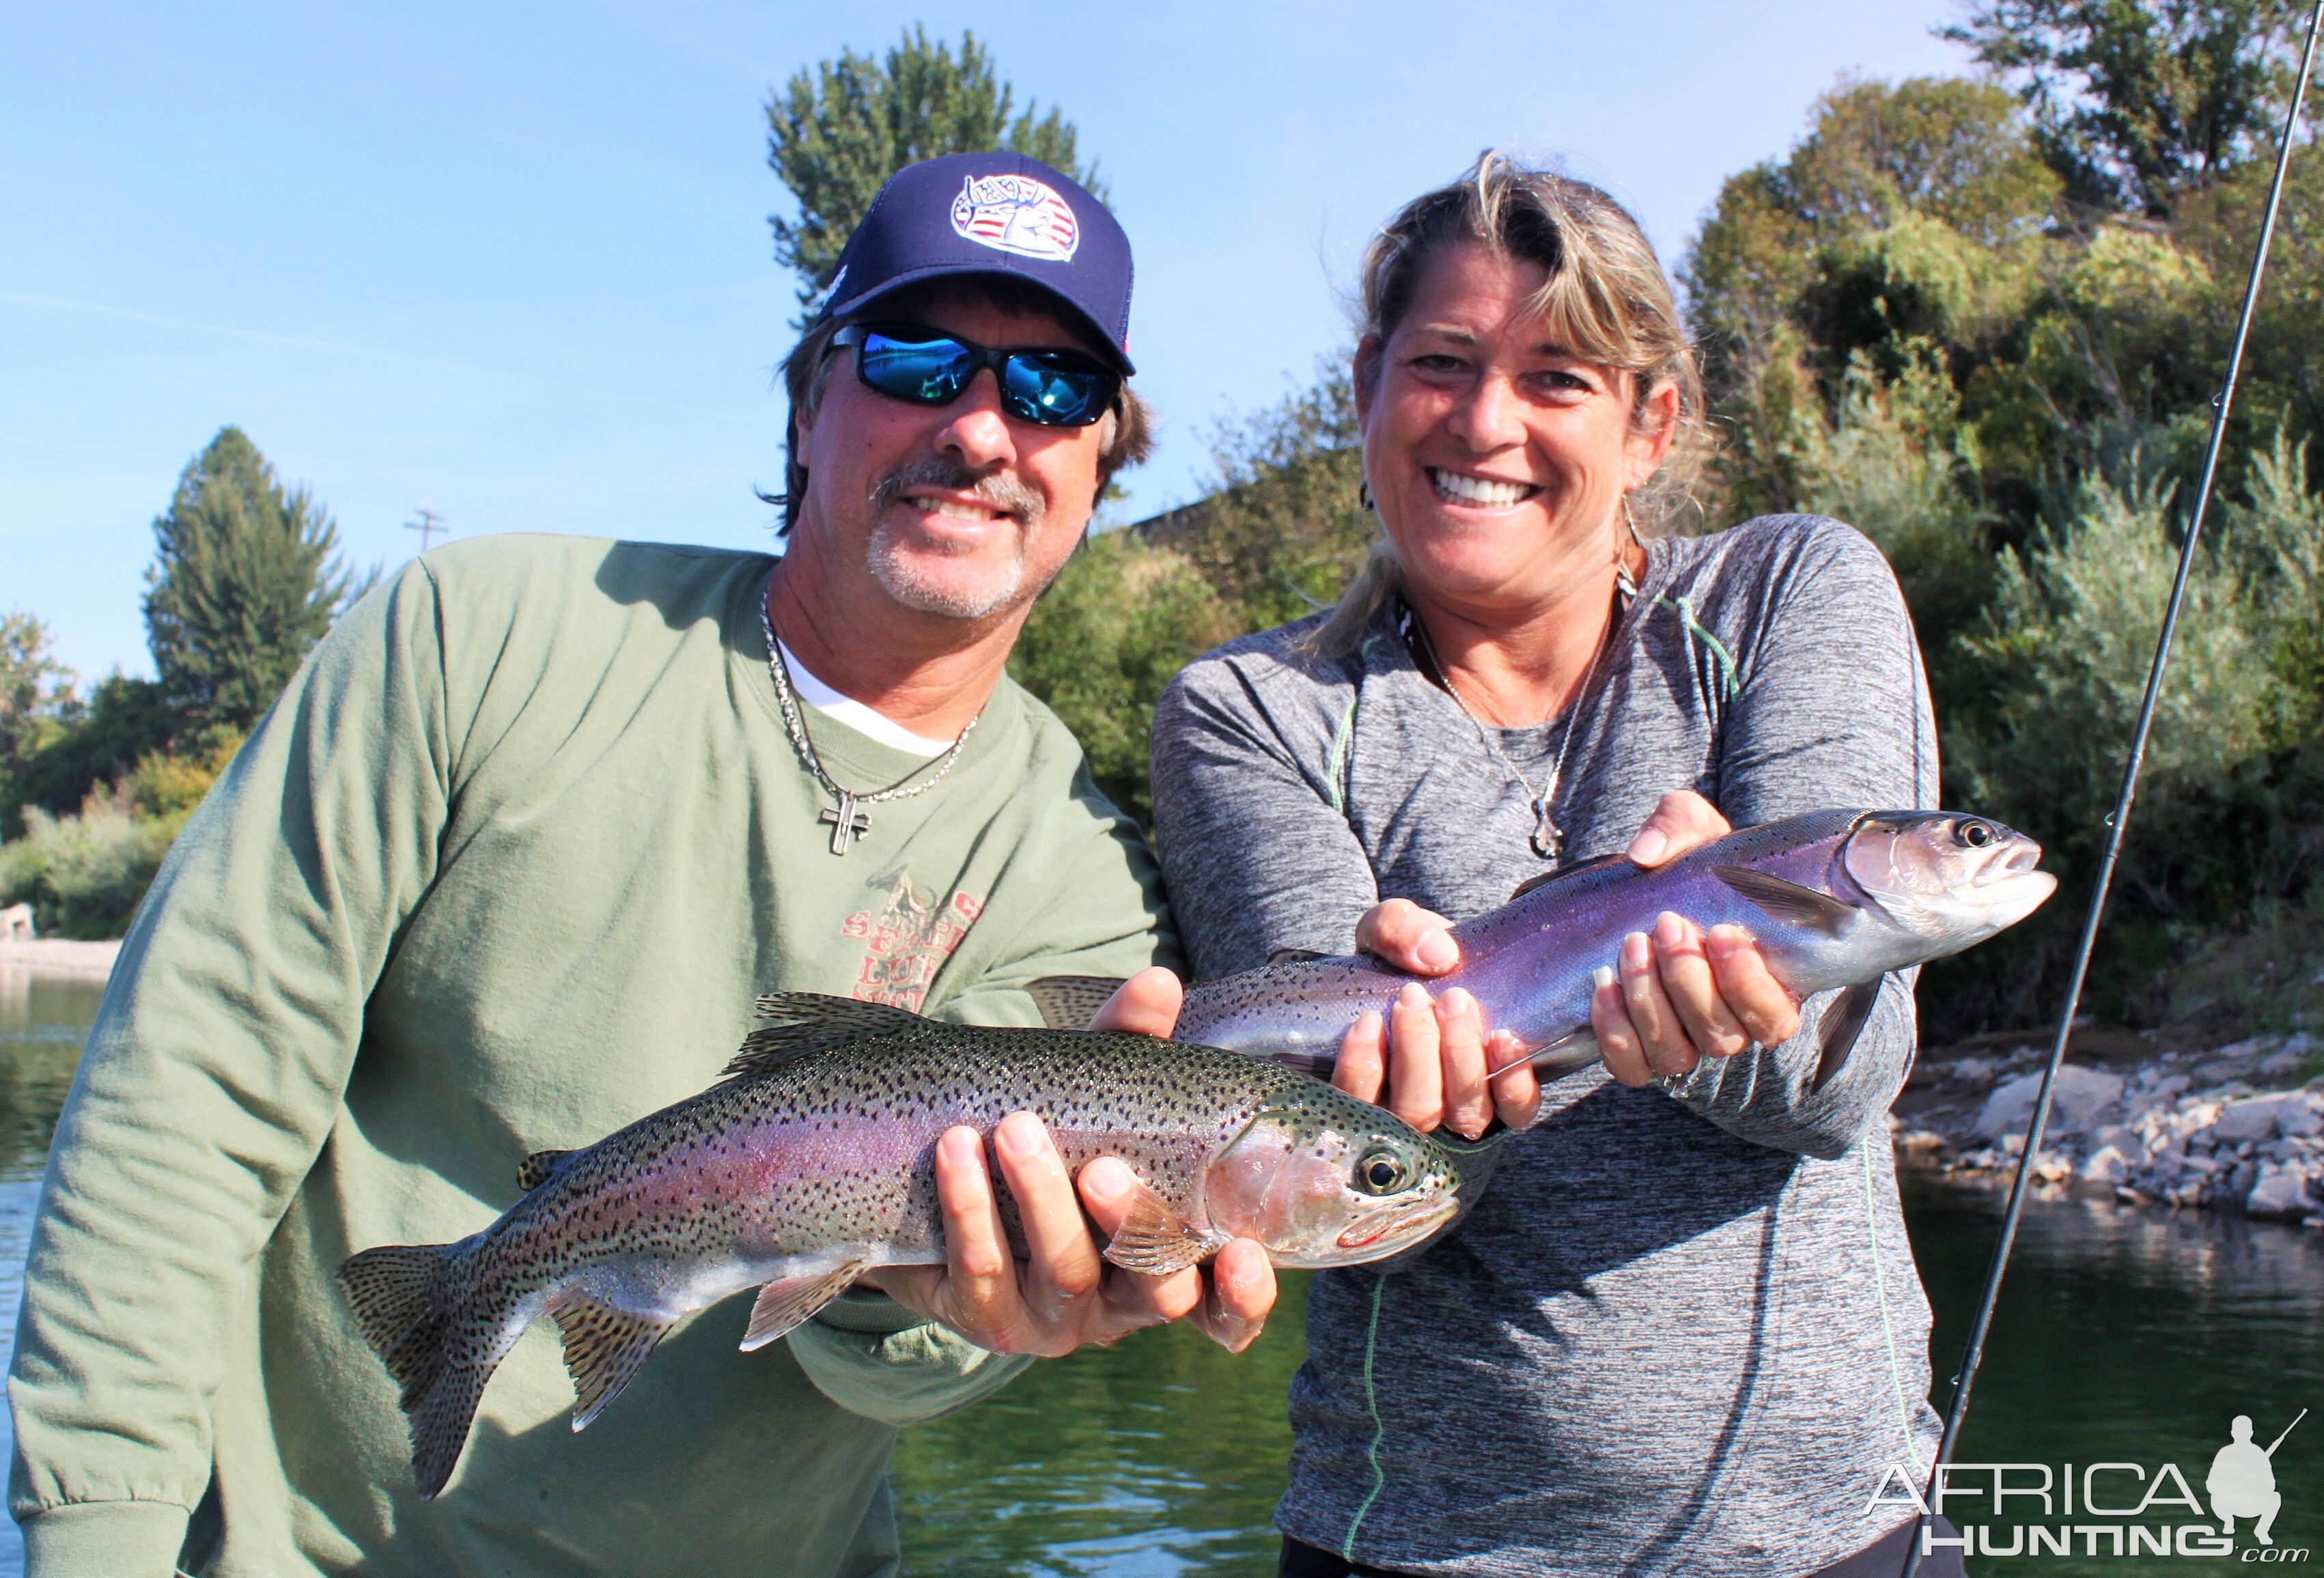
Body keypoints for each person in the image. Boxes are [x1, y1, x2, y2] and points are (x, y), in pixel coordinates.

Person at [7, 152, 1274, 1578]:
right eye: (920, 360)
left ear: (1104, 463)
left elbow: (883, 1371)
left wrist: (964, 1310)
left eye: (1050, 390)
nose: (984, 429)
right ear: (808, 403)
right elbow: (184, 1095)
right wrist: (96, 1534)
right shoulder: (478, 637)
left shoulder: (1086, 884)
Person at [1151, 154, 1958, 1577]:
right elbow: (1347, 1207)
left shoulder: (1792, 593)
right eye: (1444, 364)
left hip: (1841, 1538)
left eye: (1558, 378)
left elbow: (1840, 1086)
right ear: (1365, 391)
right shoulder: (1249, 711)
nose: (1485, 422)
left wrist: (1720, 1016)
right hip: (1409, 1544)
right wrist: (1408, 1119)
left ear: (1654, 424)